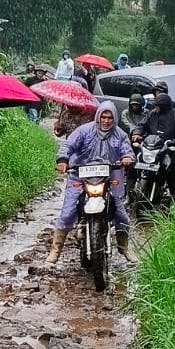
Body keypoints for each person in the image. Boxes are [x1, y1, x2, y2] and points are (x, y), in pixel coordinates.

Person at [45, 101, 137, 265]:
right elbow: (68, 145)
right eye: (103, 116)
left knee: (121, 216)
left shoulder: (120, 134)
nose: (106, 121)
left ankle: (124, 248)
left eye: (109, 117)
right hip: (80, 174)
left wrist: (127, 157)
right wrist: (62, 160)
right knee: (67, 213)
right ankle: (55, 251)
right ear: (98, 116)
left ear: (114, 118)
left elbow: (127, 149)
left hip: (110, 175)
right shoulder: (84, 131)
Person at [132, 92, 175, 200]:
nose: (155, 108)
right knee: (133, 165)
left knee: (170, 168)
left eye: (158, 106)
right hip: (151, 147)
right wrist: (137, 133)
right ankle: (131, 192)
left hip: (167, 148)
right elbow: (141, 125)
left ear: (163, 106)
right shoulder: (152, 114)